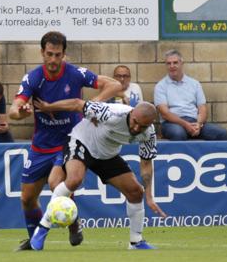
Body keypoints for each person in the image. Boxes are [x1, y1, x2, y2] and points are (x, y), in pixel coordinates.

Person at [9, 31, 122, 251]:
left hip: (70, 140)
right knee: (27, 198)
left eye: (57, 55)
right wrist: (21, 112)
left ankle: (73, 224)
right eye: (49, 54)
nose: (53, 60)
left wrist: (92, 105)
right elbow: (13, 111)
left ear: (64, 54)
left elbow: (115, 85)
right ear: (42, 52)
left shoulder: (75, 74)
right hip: (41, 146)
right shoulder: (32, 78)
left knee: (56, 183)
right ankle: (34, 239)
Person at [29, 99, 166, 250]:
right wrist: (49, 106)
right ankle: (42, 228)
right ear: (131, 112)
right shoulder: (111, 113)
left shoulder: (149, 134)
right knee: (74, 180)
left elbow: (146, 165)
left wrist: (149, 196)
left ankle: (136, 242)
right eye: (135, 122)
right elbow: (76, 103)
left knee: (135, 192)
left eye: (143, 126)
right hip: (82, 142)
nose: (136, 128)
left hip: (107, 155)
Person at [154, 49, 227, 140]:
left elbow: (202, 109)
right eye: (168, 63)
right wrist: (185, 125)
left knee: (222, 134)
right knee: (179, 134)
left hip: (194, 121)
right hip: (172, 123)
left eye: (175, 63)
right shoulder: (160, 86)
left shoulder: (194, 84)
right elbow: (165, 114)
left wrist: (198, 124)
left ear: (182, 63)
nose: (172, 66)